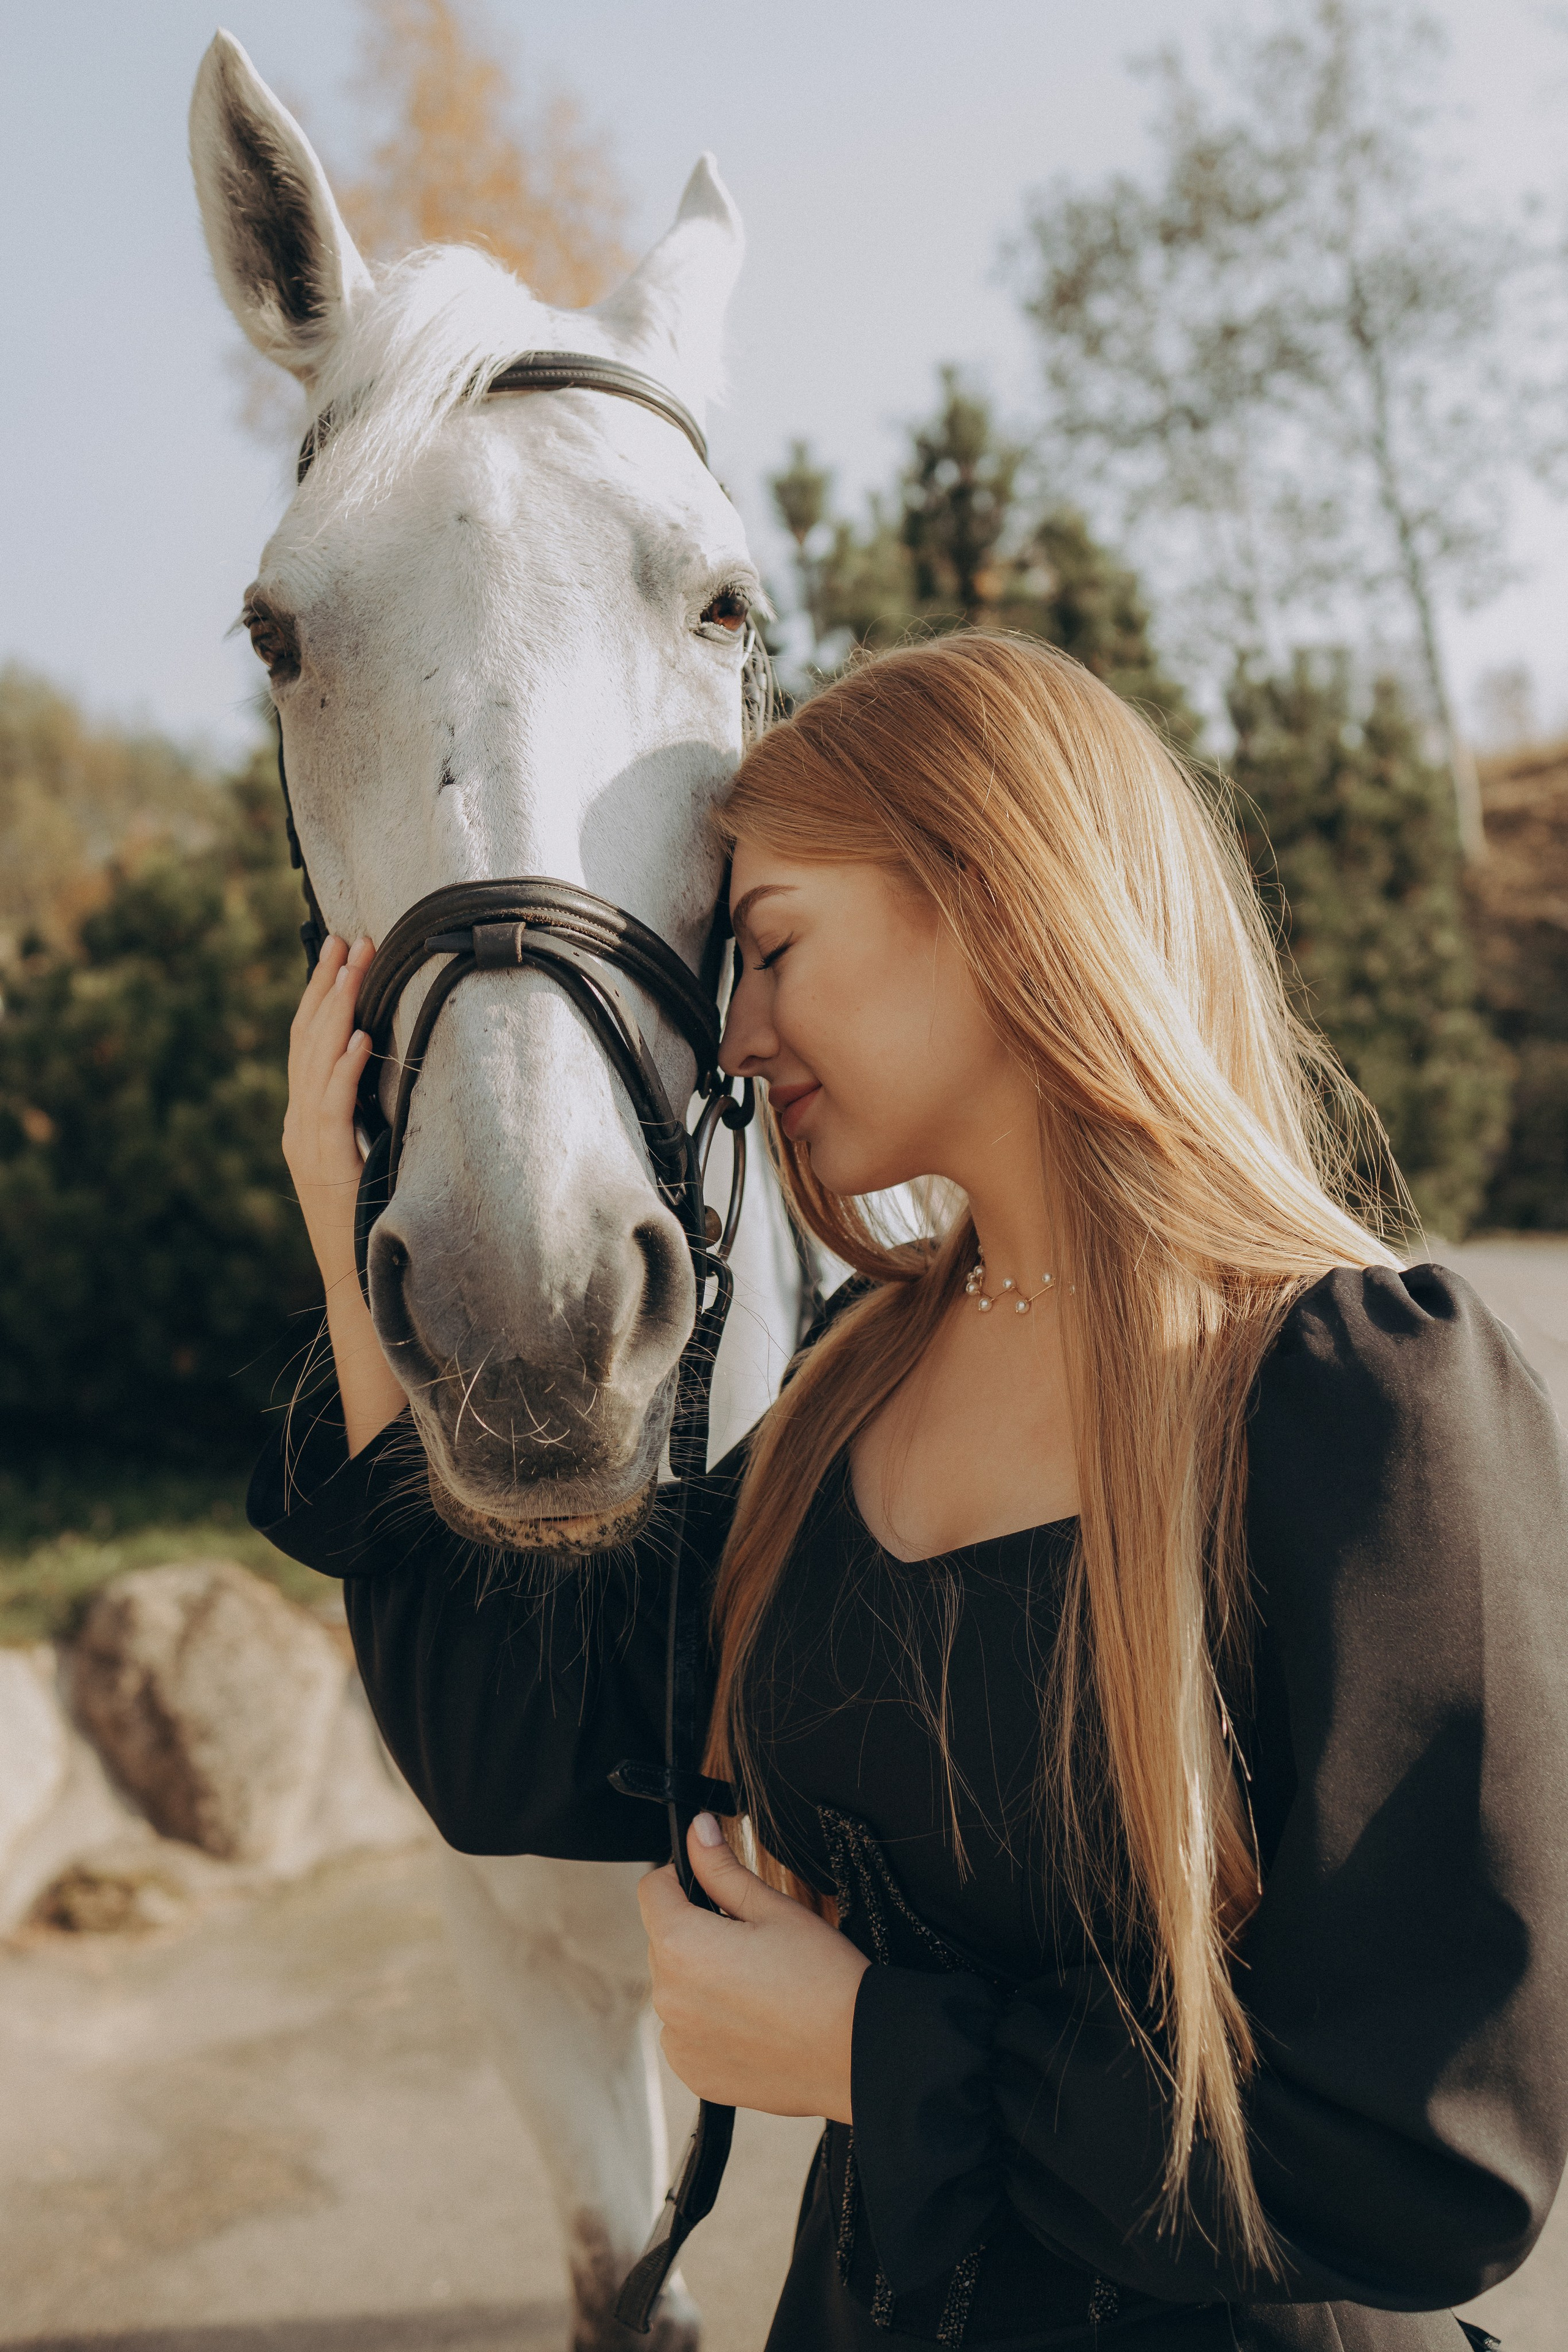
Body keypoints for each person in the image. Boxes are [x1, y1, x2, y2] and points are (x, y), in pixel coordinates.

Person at [251, 634, 1568, 2351]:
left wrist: (874, 2053)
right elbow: (517, 1761)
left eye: (774, 942)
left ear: (999, 887)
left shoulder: (1365, 1392)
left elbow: (1433, 2158)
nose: (730, 1034)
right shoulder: (838, 1393)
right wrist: (361, 1259)